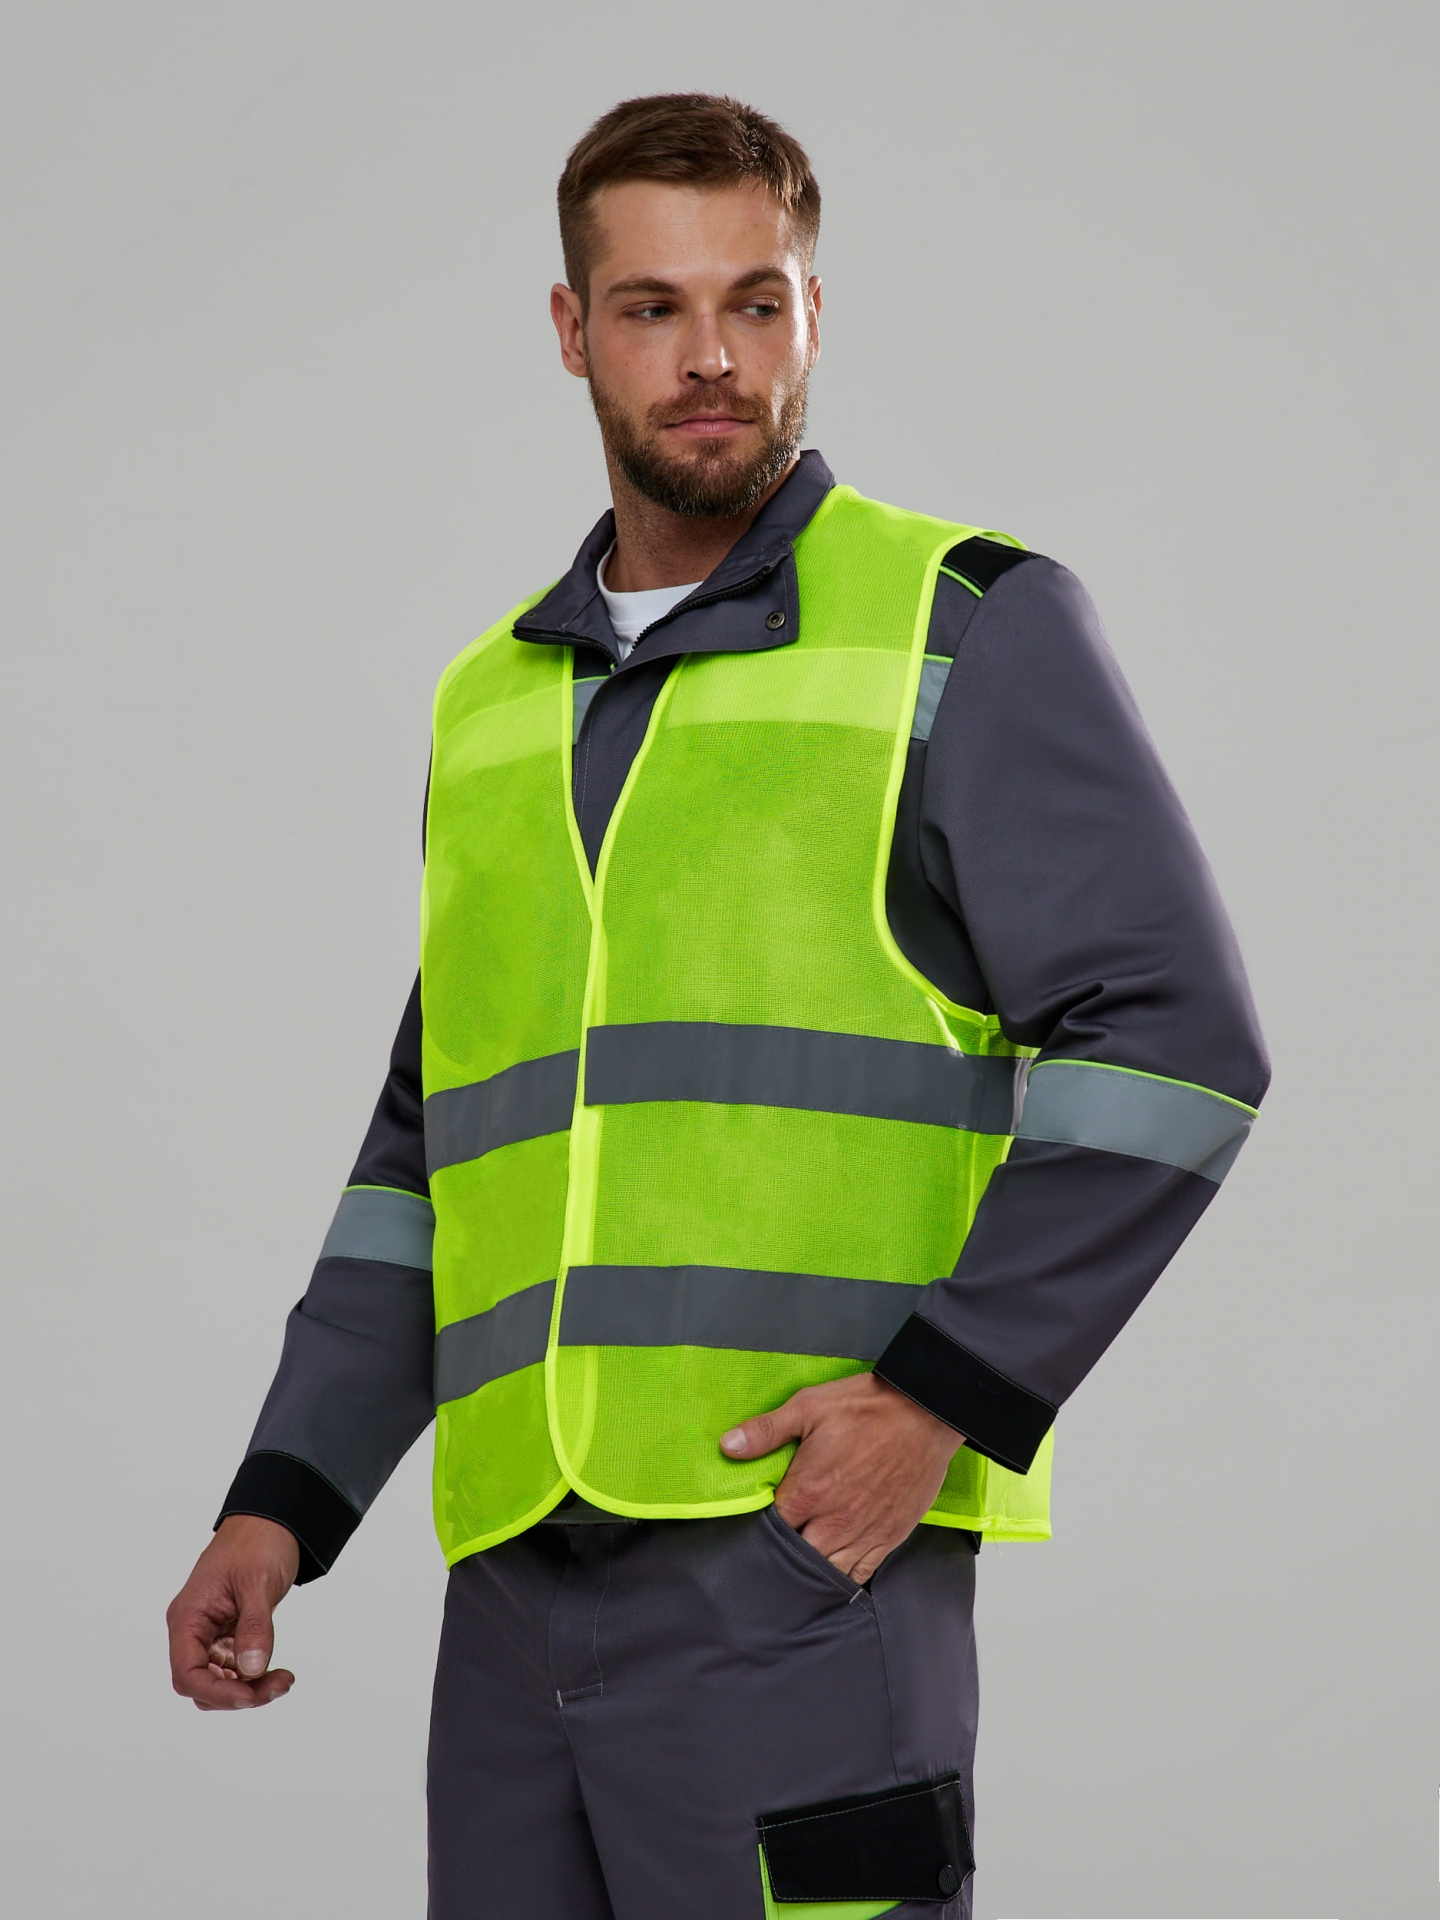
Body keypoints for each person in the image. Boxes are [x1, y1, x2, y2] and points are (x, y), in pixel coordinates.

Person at [166, 93, 1269, 1920]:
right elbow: (430, 1157)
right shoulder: (489, 707)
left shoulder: (960, 625)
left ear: (813, 314)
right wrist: (282, 1498)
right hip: (512, 1588)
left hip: (795, 1568)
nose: (712, 359)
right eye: (654, 308)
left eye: (757, 303)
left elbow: (1172, 1040)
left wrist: (939, 1400)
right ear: (571, 330)